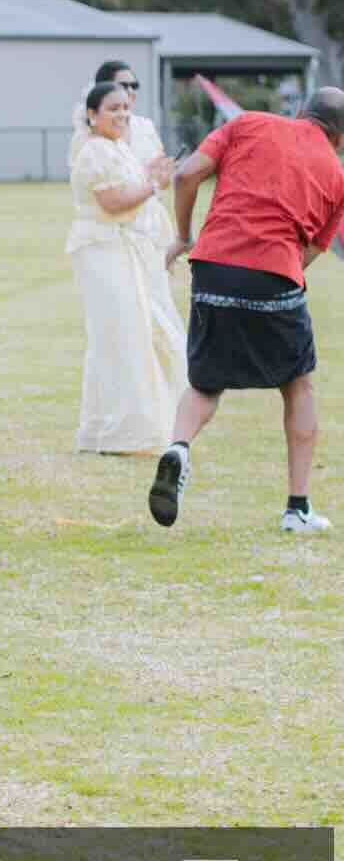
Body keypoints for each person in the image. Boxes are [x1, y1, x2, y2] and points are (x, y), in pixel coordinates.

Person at [151, 87, 344, 533]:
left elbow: (185, 176)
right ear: (339, 138)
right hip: (276, 273)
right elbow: (313, 248)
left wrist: (183, 236)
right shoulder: (336, 174)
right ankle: (297, 508)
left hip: (213, 267)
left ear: (298, 112)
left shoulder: (249, 123)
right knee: (298, 386)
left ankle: (178, 448)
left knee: (205, 383)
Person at [68, 82, 183, 453]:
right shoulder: (92, 151)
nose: (121, 115)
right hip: (104, 249)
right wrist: (153, 184)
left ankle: (120, 430)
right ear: (92, 115)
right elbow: (114, 200)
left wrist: (151, 176)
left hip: (125, 248)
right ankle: (120, 432)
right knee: (120, 336)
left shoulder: (117, 147)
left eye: (124, 108)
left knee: (130, 335)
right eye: (112, 109)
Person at [70, 58, 175, 248]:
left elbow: (159, 179)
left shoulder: (145, 127)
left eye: (134, 85)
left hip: (149, 222)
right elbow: (105, 193)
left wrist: (161, 177)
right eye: (123, 85)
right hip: (110, 229)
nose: (130, 91)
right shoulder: (89, 140)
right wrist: (151, 185)